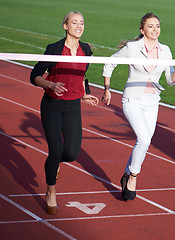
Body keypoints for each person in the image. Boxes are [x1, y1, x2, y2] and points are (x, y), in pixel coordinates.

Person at [102, 13, 175, 201]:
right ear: (142, 30)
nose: (155, 29)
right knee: (144, 139)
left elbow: (170, 81)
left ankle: (126, 175)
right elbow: (110, 63)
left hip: (152, 101)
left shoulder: (165, 50)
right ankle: (133, 176)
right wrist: (107, 89)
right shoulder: (132, 48)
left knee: (145, 141)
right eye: (150, 26)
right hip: (132, 99)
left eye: (157, 26)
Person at [29, 11, 99, 215]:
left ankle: (55, 163)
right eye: (74, 22)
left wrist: (85, 94)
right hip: (52, 104)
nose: (79, 26)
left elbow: (81, 75)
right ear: (65, 26)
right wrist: (50, 83)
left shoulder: (86, 49)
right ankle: (51, 190)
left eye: (82, 23)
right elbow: (34, 75)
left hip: (73, 106)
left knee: (71, 153)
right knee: (55, 150)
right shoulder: (55, 48)